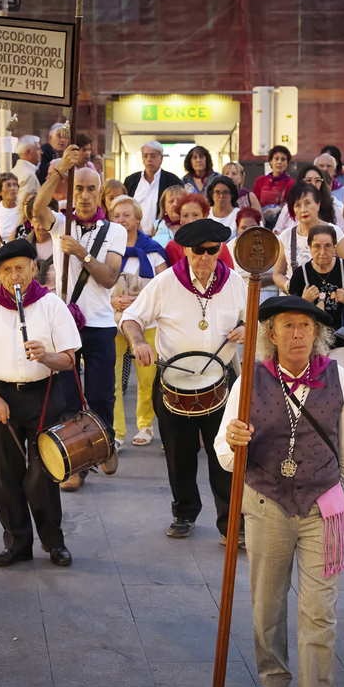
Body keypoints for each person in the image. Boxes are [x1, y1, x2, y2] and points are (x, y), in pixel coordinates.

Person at [217, 295, 344, 687]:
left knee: (320, 613)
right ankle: (274, 678)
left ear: (317, 333)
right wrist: (234, 441)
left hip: (324, 507)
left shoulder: (336, 377)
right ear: (272, 333)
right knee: (267, 603)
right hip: (266, 504)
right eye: (288, 325)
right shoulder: (249, 380)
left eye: (305, 326)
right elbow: (224, 455)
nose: (297, 333)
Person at [121, 219, 248, 543]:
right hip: (173, 381)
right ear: (186, 251)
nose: (205, 257)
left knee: (226, 454)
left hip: (221, 379)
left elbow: (253, 319)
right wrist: (139, 342)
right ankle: (184, 513)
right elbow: (132, 317)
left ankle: (231, 523)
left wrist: (246, 328)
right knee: (179, 455)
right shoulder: (166, 282)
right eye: (198, 250)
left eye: (212, 250)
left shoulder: (234, 282)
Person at [0, 239, 79, 567]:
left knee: (45, 471)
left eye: (21, 268)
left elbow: (69, 360)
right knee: (4, 472)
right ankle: (17, 543)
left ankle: (54, 542)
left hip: (44, 394)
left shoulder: (52, 305)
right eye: (7, 270)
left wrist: (46, 356)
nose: (15, 276)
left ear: (34, 268)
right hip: (2, 397)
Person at [34, 145, 127, 491]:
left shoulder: (114, 231)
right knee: (68, 397)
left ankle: (104, 444)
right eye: (78, 189)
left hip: (100, 324)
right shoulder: (61, 222)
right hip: (65, 324)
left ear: (99, 192)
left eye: (90, 189)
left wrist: (82, 253)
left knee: (101, 395)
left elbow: (109, 278)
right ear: (70, 192)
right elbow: (36, 210)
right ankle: (76, 464)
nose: (84, 196)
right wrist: (60, 170)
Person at [108, 195, 167, 449]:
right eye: (116, 216)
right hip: (111, 322)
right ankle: (116, 432)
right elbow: (97, 286)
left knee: (148, 378)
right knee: (111, 381)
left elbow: (165, 288)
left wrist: (139, 302)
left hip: (146, 324)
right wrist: (112, 301)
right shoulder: (107, 250)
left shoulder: (153, 251)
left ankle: (145, 425)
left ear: (138, 219)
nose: (121, 219)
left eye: (126, 215)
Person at [287, 224, 344, 387]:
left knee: (343, 387)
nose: (322, 252)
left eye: (328, 246)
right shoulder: (300, 274)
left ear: (335, 246)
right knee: (315, 389)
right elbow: (290, 315)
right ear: (309, 247)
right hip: (311, 343)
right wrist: (304, 301)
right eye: (317, 246)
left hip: (343, 339)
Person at [273, 182, 344, 294]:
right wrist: (289, 285)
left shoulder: (334, 231)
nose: (303, 210)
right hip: (294, 300)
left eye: (307, 203)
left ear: (318, 204)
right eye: (297, 205)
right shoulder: (286, 235)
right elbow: (278, 273)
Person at [124, 140, 183, 235]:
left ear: (161, 158)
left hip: (162, 235)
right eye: (145, 156)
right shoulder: (131, 181)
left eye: (153, 155)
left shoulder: (172, 181)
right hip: (133, 235)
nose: (149, 159)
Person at [164, 193, 236, 268]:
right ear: (180, 219)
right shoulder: (172, 246)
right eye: (185, 215)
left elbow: (229, 273)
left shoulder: (218, 245)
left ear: (205, 216)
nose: (190, 220)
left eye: (195, 215)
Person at [0, 172, 26, 293]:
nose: (13, 188)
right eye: (8, 185)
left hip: (21, 261)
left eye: (15, 185)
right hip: (0, 261)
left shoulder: (23, 209)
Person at [229, 207, 279, 303]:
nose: (248, 231)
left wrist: (268, 279)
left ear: (259, 226)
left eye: (252, 227)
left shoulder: (276, 242)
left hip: (272, 296)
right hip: (240, 297)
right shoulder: (230, 247)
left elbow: (283, 274)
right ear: (237, 228)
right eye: (243, 228)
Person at [275, 165, 339, 234]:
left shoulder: (332, 206)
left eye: (317, 180)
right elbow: (277, 233)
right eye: (309, 180)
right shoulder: (289, 207)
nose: (313, 184)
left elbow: (341, 233)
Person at [253, 145, 295, 220]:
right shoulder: (260, 180)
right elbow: (254, 202)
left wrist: (277, 209)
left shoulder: (290, 183)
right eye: (276, 159)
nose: (279, 162)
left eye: (283, 159)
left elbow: (291, 203)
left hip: (282, 220)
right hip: (262, 219)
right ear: (271, 161)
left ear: (287, 163)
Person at [13, 134, 42, 211]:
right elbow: (24, 204)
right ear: (28, 152)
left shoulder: (15, 171)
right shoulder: (28, 175)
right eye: (38, 149)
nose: (41, 152)